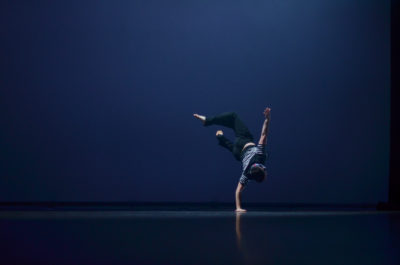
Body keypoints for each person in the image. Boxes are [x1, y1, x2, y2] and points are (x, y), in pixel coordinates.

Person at [193, 108, 271, 212]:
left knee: (233, 116)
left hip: (245, 141)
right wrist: (238, 208)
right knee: (231, 147)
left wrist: (267, 119)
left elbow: (264, 135)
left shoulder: (260, 157)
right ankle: (220, 137)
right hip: (238, 153)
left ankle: (207, 120)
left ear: (262, 167)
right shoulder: (247, 174)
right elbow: (238, 191)